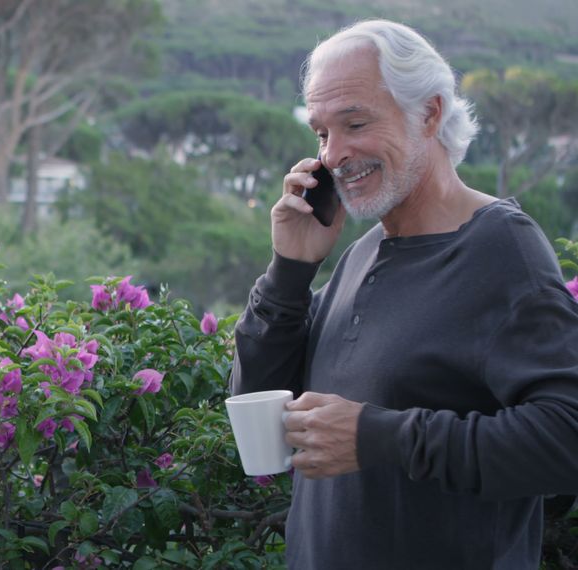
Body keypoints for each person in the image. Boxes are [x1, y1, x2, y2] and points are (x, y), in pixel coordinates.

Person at [232, 19, 578, 569]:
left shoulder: (499, 249)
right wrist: (290, 270)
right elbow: (259, 402)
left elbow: (566, 439)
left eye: (356, 123)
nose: (333, 154)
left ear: (430, 113)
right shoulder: (363, 253)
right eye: (322, 133)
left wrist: (379, 436)